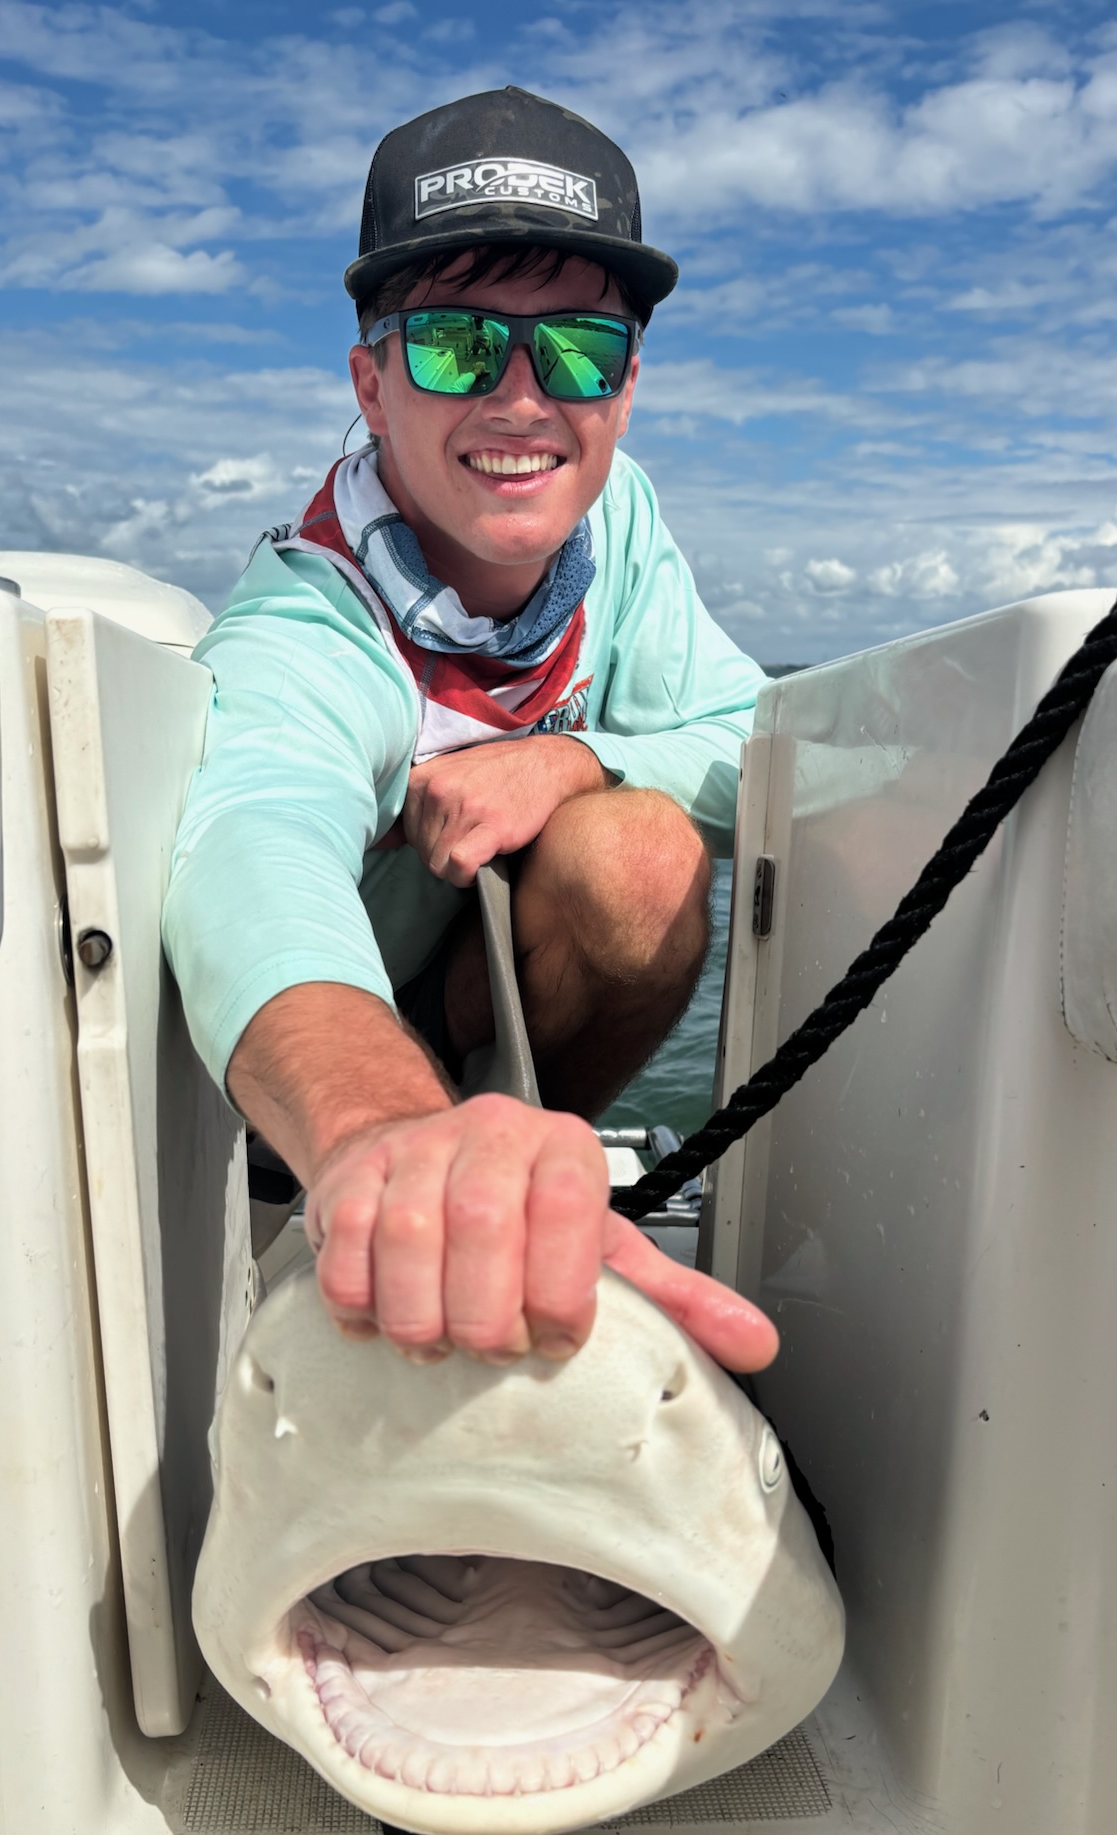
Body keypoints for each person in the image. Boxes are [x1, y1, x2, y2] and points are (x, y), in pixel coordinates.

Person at [163, 86, 777, 1376]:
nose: (521, 401)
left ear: (625, 387)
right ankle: (423, 1180)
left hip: (479, 1014)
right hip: (311, 1089)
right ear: (372, 383)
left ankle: (516, 1164)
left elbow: (751, 735)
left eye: (579, 351)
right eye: (456, 345)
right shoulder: (309, 619)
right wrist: (382, 1132)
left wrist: (573, 758)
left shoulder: (617, 523)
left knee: (638, 853)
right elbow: (253, 839)